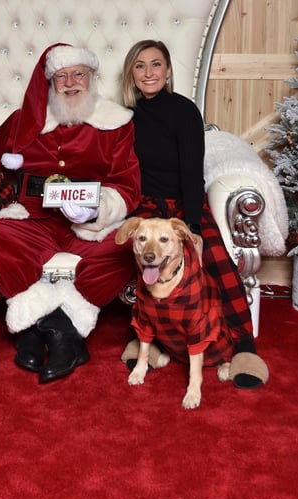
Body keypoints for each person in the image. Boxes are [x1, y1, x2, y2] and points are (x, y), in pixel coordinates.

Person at [0, 43, 141, 383]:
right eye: (61, 76)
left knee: (128, 246)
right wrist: (0, 192)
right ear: (50, 83)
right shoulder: (24, 121)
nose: (70, 82)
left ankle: (48, 330)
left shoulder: (116, 123)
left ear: (92, 78)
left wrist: (97, 208)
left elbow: (127, 185)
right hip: (35, 221)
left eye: (79, 74)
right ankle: (49, 331)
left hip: (90, 228)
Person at [111, 39, 267, 388]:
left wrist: (194, 226)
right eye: (140, 66)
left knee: (213, 254)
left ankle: (244, 346)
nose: (148, 72)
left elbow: (192, 172)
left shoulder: (183, 110)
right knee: (134, 253)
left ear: (167, 71)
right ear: (130, 74)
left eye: (155, 65)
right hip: (145, 204)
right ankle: (144, 339)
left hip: (184, 201)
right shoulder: (123, 117)